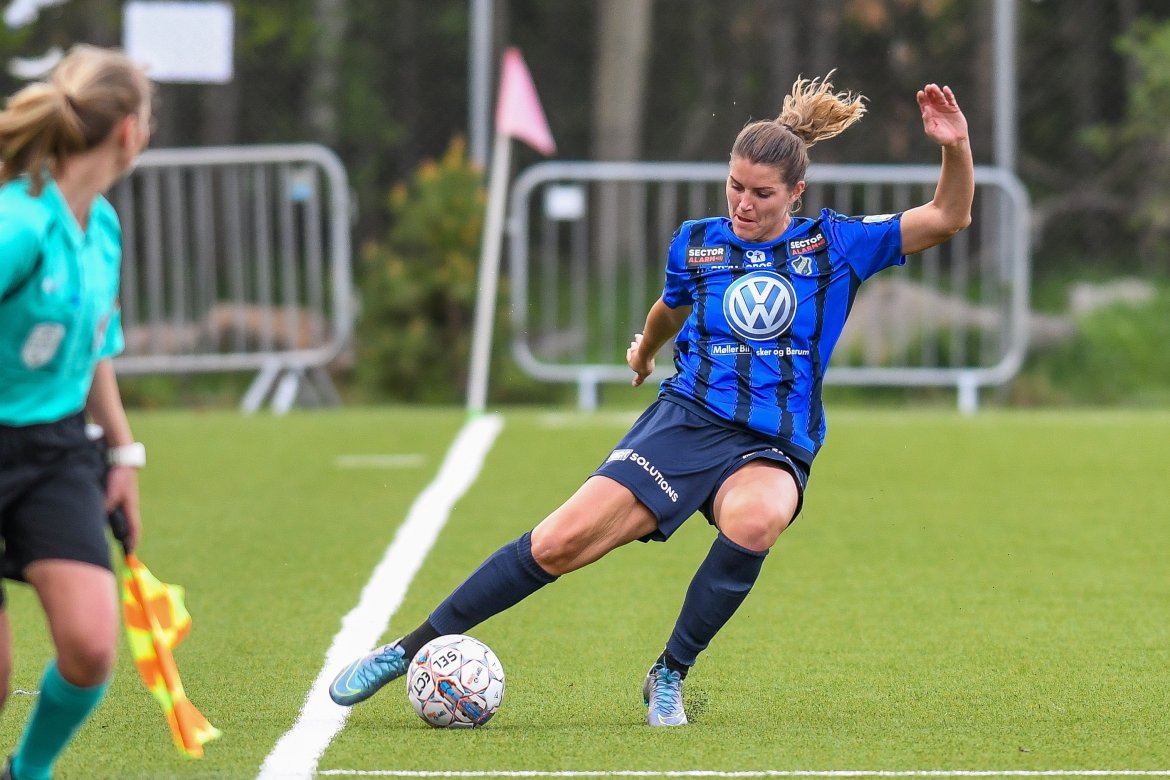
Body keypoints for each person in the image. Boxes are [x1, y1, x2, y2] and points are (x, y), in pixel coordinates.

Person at [329, 73, 973, 727]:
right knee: (558, 543)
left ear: (795, 192)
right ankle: (404, 651)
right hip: (687, 420)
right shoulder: (698, 242)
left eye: (762, 193)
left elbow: (948, 217)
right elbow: (670, 307)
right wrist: (644, 351)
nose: (743, 204)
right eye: (735, 186)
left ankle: (669, 672)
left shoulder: (835, 244)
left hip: (772, 440)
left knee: (756, 519)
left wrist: (955, 146)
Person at [0, 45, 153, 778]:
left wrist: (120, 455)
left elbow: (96, 347)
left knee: (91, 646)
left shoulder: (102, 225)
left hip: (55, 449)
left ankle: (27, 773)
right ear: (128, 129)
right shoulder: (18, 223)